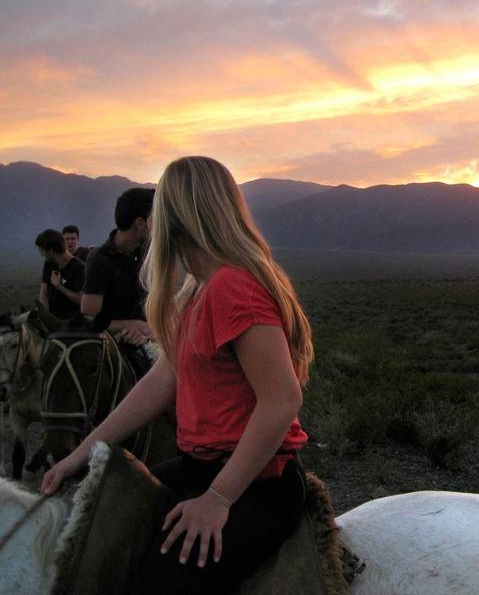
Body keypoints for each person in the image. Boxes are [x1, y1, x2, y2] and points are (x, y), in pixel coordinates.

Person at [42, 156, 314, 595]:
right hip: (197, 466)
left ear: (176, 213)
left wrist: (218, 499)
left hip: (255, 483)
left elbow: (282, 399)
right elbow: (160, 382)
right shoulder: (198, 291)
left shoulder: (232, 287)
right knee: (101, 525)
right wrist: (84, 455)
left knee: (159, 583)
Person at [81, 188, 155, 345]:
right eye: (155, 219)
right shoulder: (99, 259)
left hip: (152, 337)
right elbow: (89, 318)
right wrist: (131, 325)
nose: (159, 225)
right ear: (140, 223)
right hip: (113, 347)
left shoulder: (150, 252)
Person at [35, 228, 86, 319]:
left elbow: (81, 300)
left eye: (41, 250)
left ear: (50, 251)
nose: (41, 254)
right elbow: (43, 293)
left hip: (72, 319)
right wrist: (46, 318)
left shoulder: (79, 268)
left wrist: (59, 287)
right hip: (52, 315)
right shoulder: (49, 263)